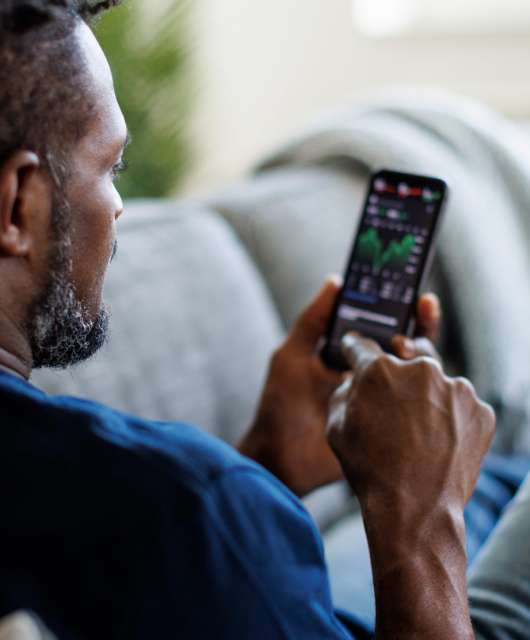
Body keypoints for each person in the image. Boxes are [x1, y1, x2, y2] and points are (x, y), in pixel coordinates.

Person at [0, 2, 528, 639]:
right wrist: (420, 521)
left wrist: (268, 463)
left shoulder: (187, 509)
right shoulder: (194, 502)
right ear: (15, 205)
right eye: (111, 168)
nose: (118, 210)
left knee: (503, 475)